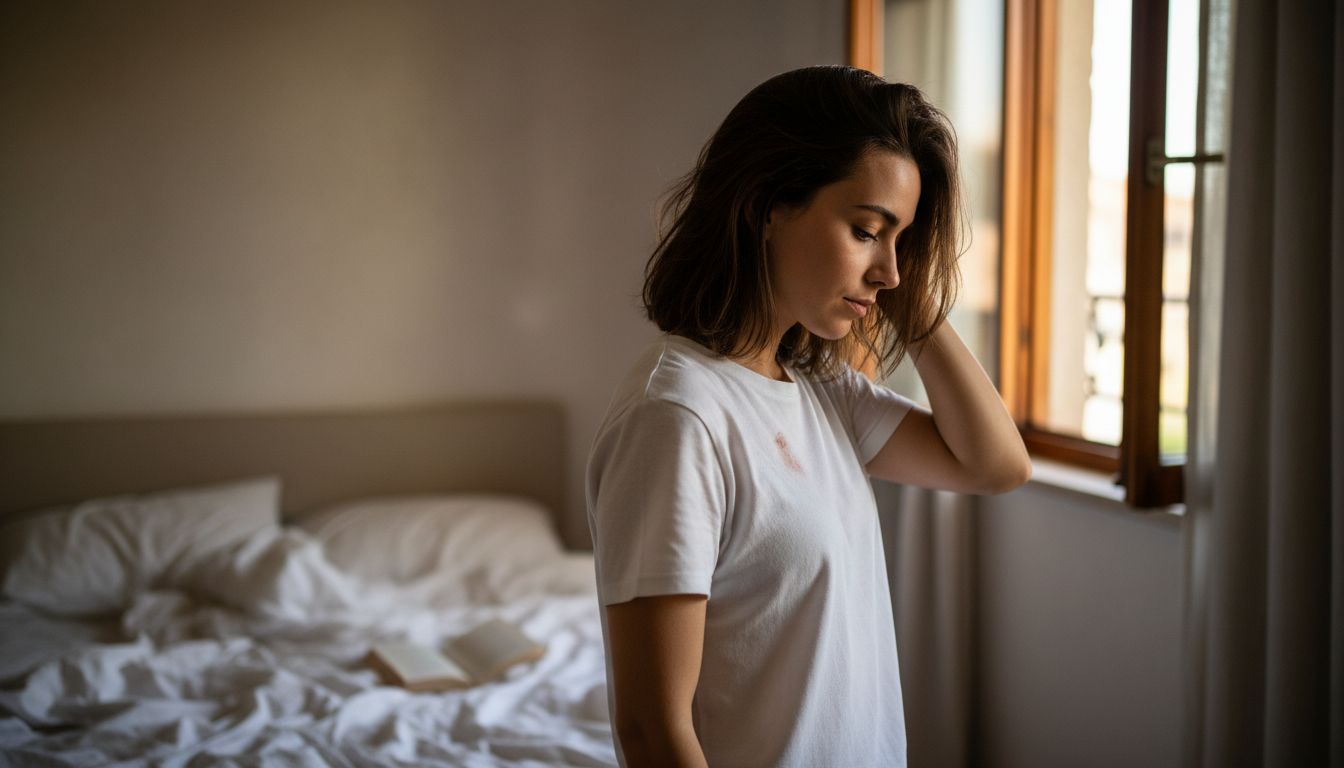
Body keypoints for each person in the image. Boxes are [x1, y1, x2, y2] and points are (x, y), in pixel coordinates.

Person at [585, 65, 1031, 768]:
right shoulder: (676, 418)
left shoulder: (819, 388)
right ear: (769, 205)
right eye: (866, 230)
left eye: (901, 241)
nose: (889, 268)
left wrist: (908, 303)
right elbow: (652, 731)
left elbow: (996, 465)